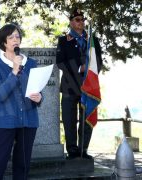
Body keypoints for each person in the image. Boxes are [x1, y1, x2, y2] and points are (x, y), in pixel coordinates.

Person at [0, 23, 42, 180]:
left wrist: (39, 97)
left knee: (22, 166)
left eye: (17, 36)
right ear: (4, 42)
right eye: (11, 37)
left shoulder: (31, 63)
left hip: (29, 121)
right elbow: (0, 94)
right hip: (5, 121)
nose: (15, 40)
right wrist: (14, 71)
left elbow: (36, 89)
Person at [56, 8, 102, 160]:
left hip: (88, 87)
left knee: (86, 119)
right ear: (71, 22)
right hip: (70, 87)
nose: (81, 22)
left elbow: (99, 62)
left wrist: (90, 74)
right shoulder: (64, 41)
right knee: (69, 120)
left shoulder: (93, 41)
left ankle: (84, 149)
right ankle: (72, 151)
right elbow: (60, 63)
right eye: (77, 19)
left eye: (82, 20)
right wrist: (79, 68)